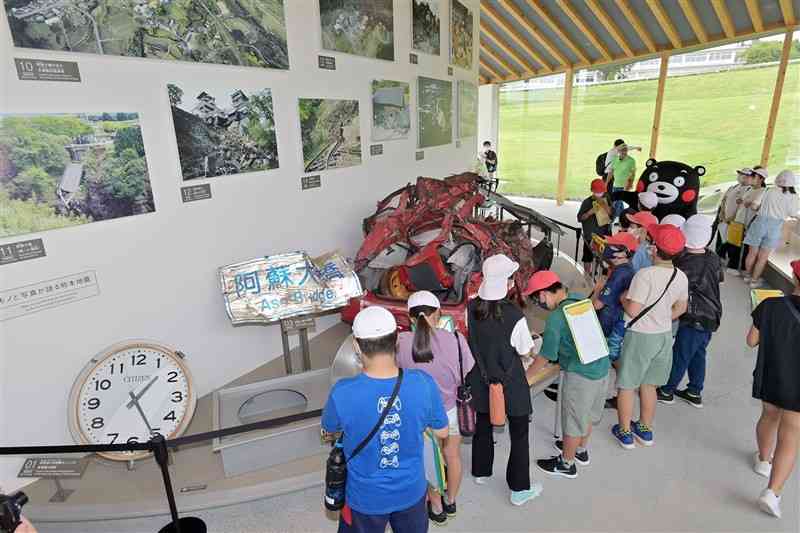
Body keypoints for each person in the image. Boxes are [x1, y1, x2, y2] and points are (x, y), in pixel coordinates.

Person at [322, 306, 449, 533]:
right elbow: (442, 432)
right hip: (411, 492)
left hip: (364, 498)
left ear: (356, 346)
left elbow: (329, 429)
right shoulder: (422, 382)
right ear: (397, 340)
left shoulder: (342, 392)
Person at [466, 254, 543, 506]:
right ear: (508, 283)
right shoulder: (514, 315)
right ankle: (519, 489)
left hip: (481, 377)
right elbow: (524, 350)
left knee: (483, 425)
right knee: (519, 433)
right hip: (510, 382)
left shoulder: (471, 307)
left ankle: (480, 471)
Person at [396, 291, 475, 524]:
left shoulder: (401, 344)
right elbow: (466, 373)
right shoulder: (457, 340)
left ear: (410, 318)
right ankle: (451, 500)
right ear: (439, 314)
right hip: (451, 412)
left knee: (429, 460)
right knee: (453, 456)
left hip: (421, 417)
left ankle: (436, 505)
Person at [523, 271, 611, 479]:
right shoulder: (580, 300)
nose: (539, 304)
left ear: (543, 294)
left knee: (572, 420)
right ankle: (580, 450)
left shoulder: (555, 318)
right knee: (587, 414)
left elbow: (546, 356)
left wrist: (525, 378)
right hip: (601, 366)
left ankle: (566, 463)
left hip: (581, 375)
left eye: (537, 300)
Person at [612, 224, 689, 449]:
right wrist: (662, 318)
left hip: (639, 337)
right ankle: (645, 429)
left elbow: (633, 310)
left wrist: (623, 298)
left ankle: (625, 431)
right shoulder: (680, 276)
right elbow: (680, 309)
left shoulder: (644, 275)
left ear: (654, 249)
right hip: (663, 336)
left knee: (627, 385)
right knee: (649, 385)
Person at [746, 259, 800, 519]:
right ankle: (772, 493)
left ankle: (763, 461)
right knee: (790, 439)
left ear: (793, 276)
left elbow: (751, 340)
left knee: (768, 417)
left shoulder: (770, 304)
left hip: (771, 377)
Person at [657, 215, 723, 408]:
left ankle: (667, 390)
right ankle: (694, 390)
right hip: (711, 315)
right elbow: (718, 278)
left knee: (681, 353)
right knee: (698, 353)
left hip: (695, 317)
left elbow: (676, 289)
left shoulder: (686, 263)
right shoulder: (712, 257)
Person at [591, 231, 638, 409]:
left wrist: (597, 289)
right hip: (617, 321)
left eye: (612, 245)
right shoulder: (626, 269)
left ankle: (604, 393)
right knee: (615, 357)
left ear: (621, 253)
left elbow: (597, 305)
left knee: (607, 357)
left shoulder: (620, 274)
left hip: (609, 323)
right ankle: (623, 390)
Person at [744, 170, 799, 288]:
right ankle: (754, 281)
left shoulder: (768, 190)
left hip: (759, 222)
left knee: (752, 253)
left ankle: (747, 275)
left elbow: (754, 205)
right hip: (775, 226)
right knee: (763, 257)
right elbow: (793, 213)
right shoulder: (794, 196)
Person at [730, 166, 768, 275]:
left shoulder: (763, 191)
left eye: (753, 176)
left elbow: (756, 207)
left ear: (761, 179)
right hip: (739, 220)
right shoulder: (749, 189)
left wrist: (749, 203)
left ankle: (740, 268)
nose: (750, 178)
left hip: (749, 223)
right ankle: (733, 266)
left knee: (743, 247)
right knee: (735, 244)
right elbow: (742, 202)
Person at [578, 179, 613, 276]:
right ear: (592, 191)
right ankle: (587, 274)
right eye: (597, 192)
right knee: (588, 256)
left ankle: (595, 270)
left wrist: (606, 207)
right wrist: (589, 212)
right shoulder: (587, 202)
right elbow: (580, 218)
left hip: (603, 234)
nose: (599, 194)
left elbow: (612, 215)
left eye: (601, 192)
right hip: (590, 235)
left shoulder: (607, 199)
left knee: (600, 256)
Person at [717, 168, 753, 259]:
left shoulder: (749, 190)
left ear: (750, 178)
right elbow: (724, 200)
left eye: (745, 175)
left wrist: (732, 218)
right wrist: (722, 213)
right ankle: (720, 258)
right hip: (724, 219)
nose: (741, 177)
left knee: (733, 245)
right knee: (722, 240)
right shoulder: (733, 187)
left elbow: (741, 207)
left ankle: (731, 264)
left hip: (735, 222)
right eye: (740, 174)